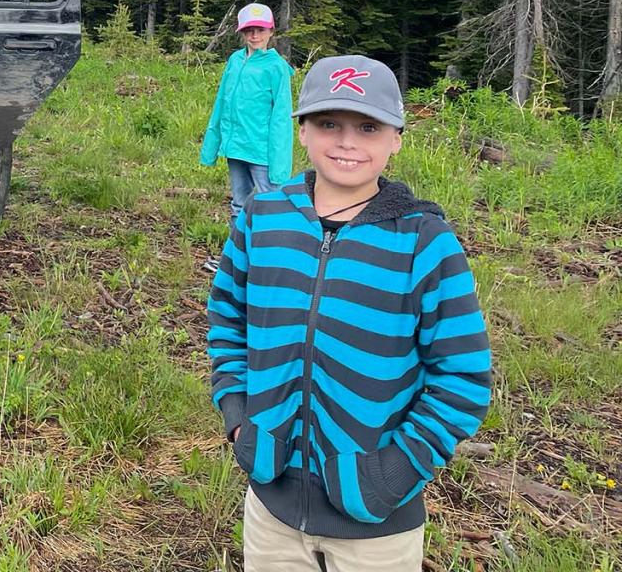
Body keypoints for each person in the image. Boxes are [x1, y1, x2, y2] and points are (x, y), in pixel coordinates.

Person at [206, 54, 492, 572]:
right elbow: (228, 320)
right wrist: (238, 419)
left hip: (376, 527)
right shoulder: (262, 219)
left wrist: (395, 472)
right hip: (271, 511)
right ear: (302, 130)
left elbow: (463, 379)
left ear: (396, 138)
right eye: (328, 123)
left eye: (368, 127)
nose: (346, 142)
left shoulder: (424, 242)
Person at [200, 2, 295, 219]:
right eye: (249, 30)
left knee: (270, 205)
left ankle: (268, 242)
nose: (255, 36)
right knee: (239, 205)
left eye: (260, 30)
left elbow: (282, 116)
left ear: (271, 31)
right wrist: (211, 146)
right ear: (242, 33)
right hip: (236, 147)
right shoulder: (235, 60)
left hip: (262, 151)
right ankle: (237, 242)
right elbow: (221, 102)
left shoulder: (276, 67)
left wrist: (279, 163)